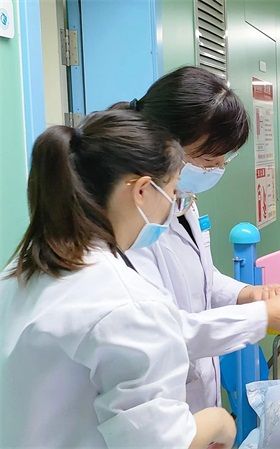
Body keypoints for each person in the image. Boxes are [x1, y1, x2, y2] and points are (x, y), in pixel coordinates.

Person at [0, 110, 235, 449]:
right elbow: (161, 444)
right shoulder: (129, 304)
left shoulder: (18, 275)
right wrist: (220, 423)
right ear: (142, 191)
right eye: (173, 194)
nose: (173, 208)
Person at [112, 66, 280, 412]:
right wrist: (262, 316)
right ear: (164, 143)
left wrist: (250, 294)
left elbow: (202, 280)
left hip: (191, 396)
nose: (215, 170)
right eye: (206, 159)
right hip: (155, 403)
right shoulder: (128, 222)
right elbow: (155, 331)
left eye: (222, 160)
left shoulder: (181, 199)